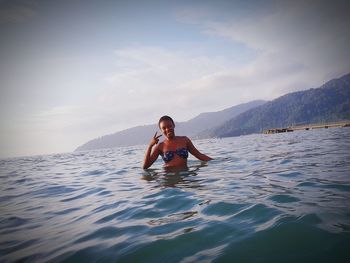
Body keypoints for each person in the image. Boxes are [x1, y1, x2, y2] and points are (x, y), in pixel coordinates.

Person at [143, 115, 213, 169]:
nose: (167, 129)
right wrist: (150, 146)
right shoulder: (160, 146)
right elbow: (145, 166)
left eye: (169, 126)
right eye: (164, 128)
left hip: (185, 175)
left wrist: (216, 161)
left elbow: (199, 155)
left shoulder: (184, 140)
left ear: (173, 125)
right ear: (161, 130)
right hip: (169, 179)